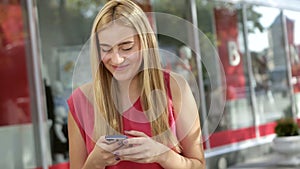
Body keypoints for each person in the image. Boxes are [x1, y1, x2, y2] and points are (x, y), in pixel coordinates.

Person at [67, 0, 205, 169]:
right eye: (106, 49)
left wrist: (163, 155)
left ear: (145, 44)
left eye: (126, 47)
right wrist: (94, 162)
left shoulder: (175, 87)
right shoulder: (80, 101)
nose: (116, 59)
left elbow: (198, 165)